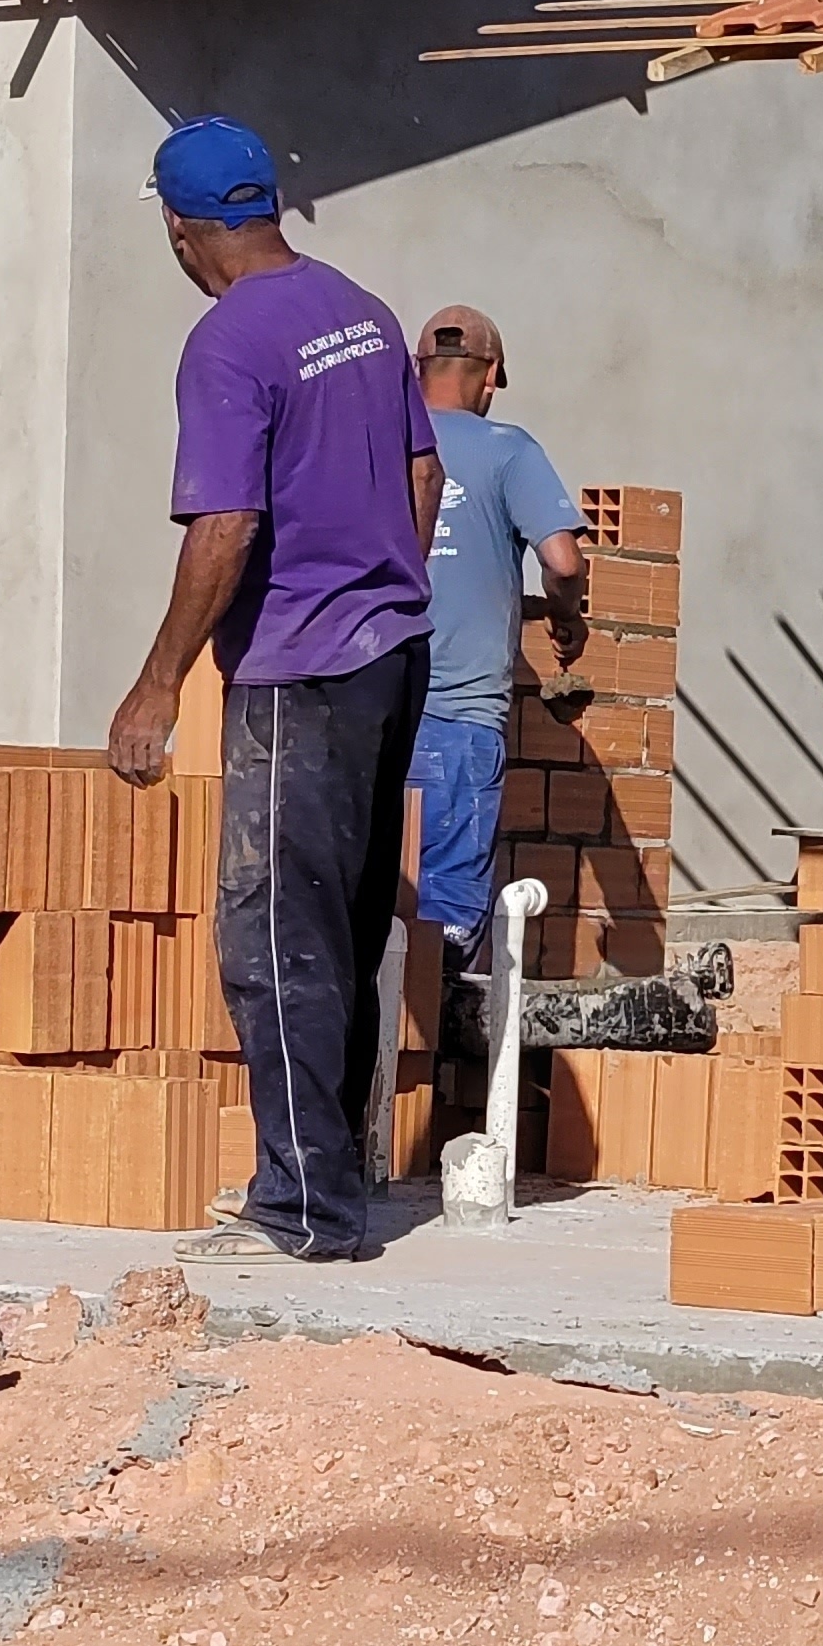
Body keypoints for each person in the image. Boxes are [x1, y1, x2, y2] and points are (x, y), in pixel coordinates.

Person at [104, 117, 441, 1265]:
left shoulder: (229, 342)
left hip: (300, 671)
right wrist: (386, 580)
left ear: (179, 226)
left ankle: (304, 1211)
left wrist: (157, 686)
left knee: (276, 938)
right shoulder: (359, 309)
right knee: (342, 925)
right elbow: (423, 465)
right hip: (393, 654)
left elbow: (229, 523)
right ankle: (334, 1181)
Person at [402, 303, 589, 976]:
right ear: (491, 376)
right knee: (445, 930)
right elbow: (563, 561)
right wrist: (568, 614)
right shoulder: (508, 449)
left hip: (368, 717)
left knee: (370, 911)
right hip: (458, 723)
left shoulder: (374, 437)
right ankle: (432, 1079)